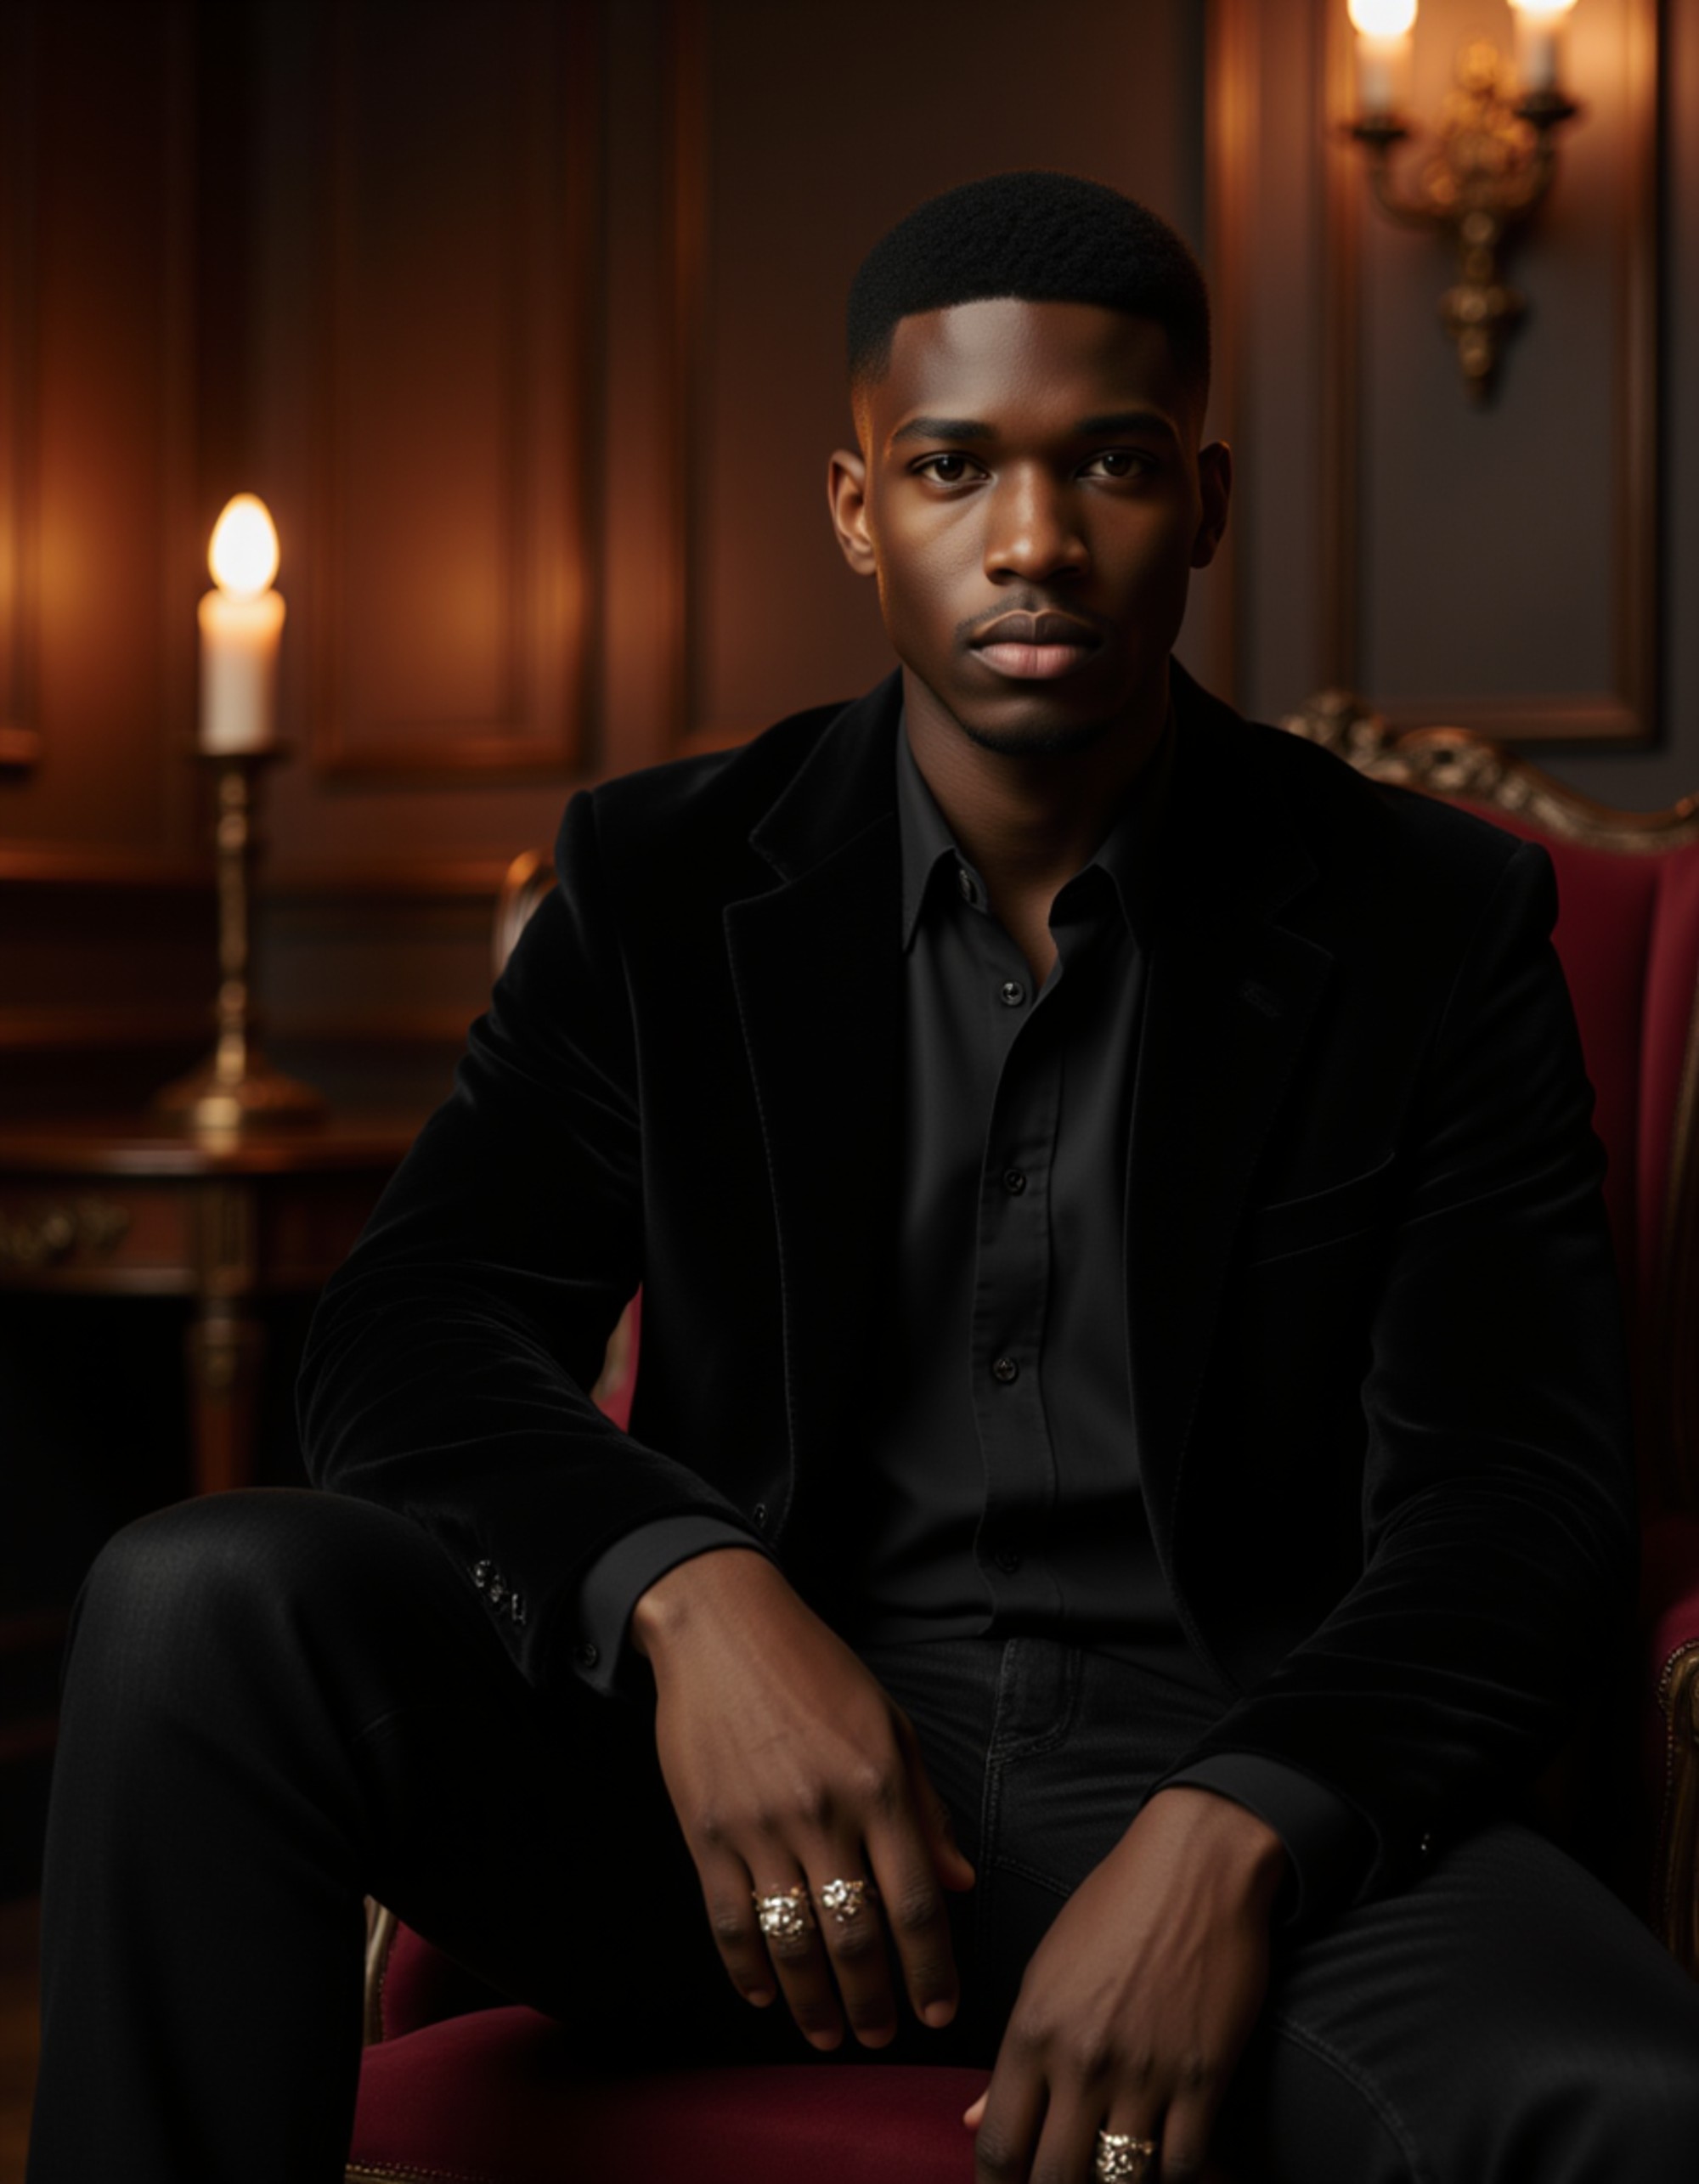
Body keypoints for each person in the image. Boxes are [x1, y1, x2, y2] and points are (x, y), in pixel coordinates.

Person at [27, 171, 1699, 2184]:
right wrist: (691, 1596)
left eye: (1110, 463)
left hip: (1254, 1803)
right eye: (948, 465)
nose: (1033, 542)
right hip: (741, 1810)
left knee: (1631, 2109)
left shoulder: (1429, 922)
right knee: (198, 1597)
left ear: (1210, 498)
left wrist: (1237, 1827)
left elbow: (1517, 1497)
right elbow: (410, 1328)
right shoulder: (658, 883)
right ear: (854, 509)